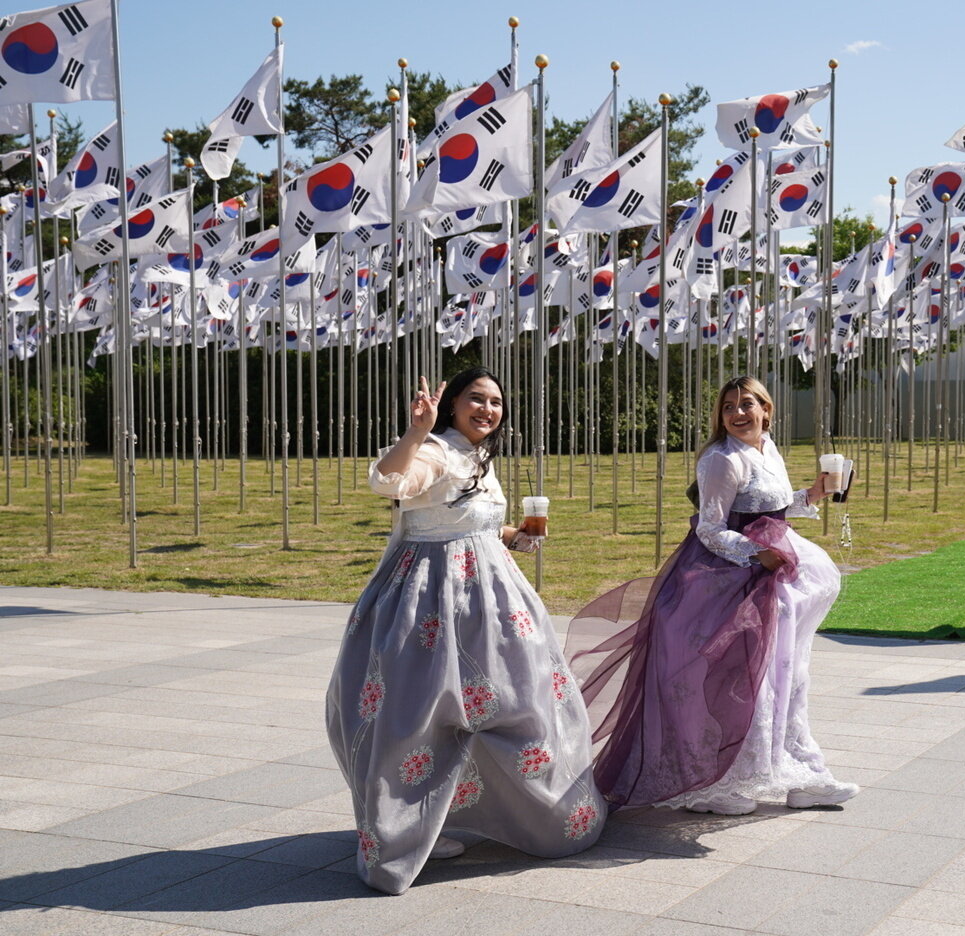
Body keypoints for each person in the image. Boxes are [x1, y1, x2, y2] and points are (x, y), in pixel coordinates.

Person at [326, 369, 603, 895]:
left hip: (489, 602)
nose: (487, 409)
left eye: (496, 402)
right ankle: (406, 829)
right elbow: (388, 482)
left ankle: (456, 816)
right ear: (452, 404)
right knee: (422, 715)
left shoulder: (476, 457)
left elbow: (460, 518)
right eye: (476, 399)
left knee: (508, 702)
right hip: (432, 603)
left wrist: (511, 536)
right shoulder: (434, 450)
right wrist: (415, 432)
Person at [568, 375, 858, 816]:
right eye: (728, 407)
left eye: (747, 405)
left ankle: (800, 772)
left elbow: (771, 507)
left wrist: (813, 494)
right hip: (729, 576)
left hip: (777, 568)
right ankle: (721, 781)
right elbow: (710, 528)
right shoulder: (721, 461)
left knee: (788, 675)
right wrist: (755, 553)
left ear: (767, 410)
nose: (738, 414)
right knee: (748, 678)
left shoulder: (768, 448)